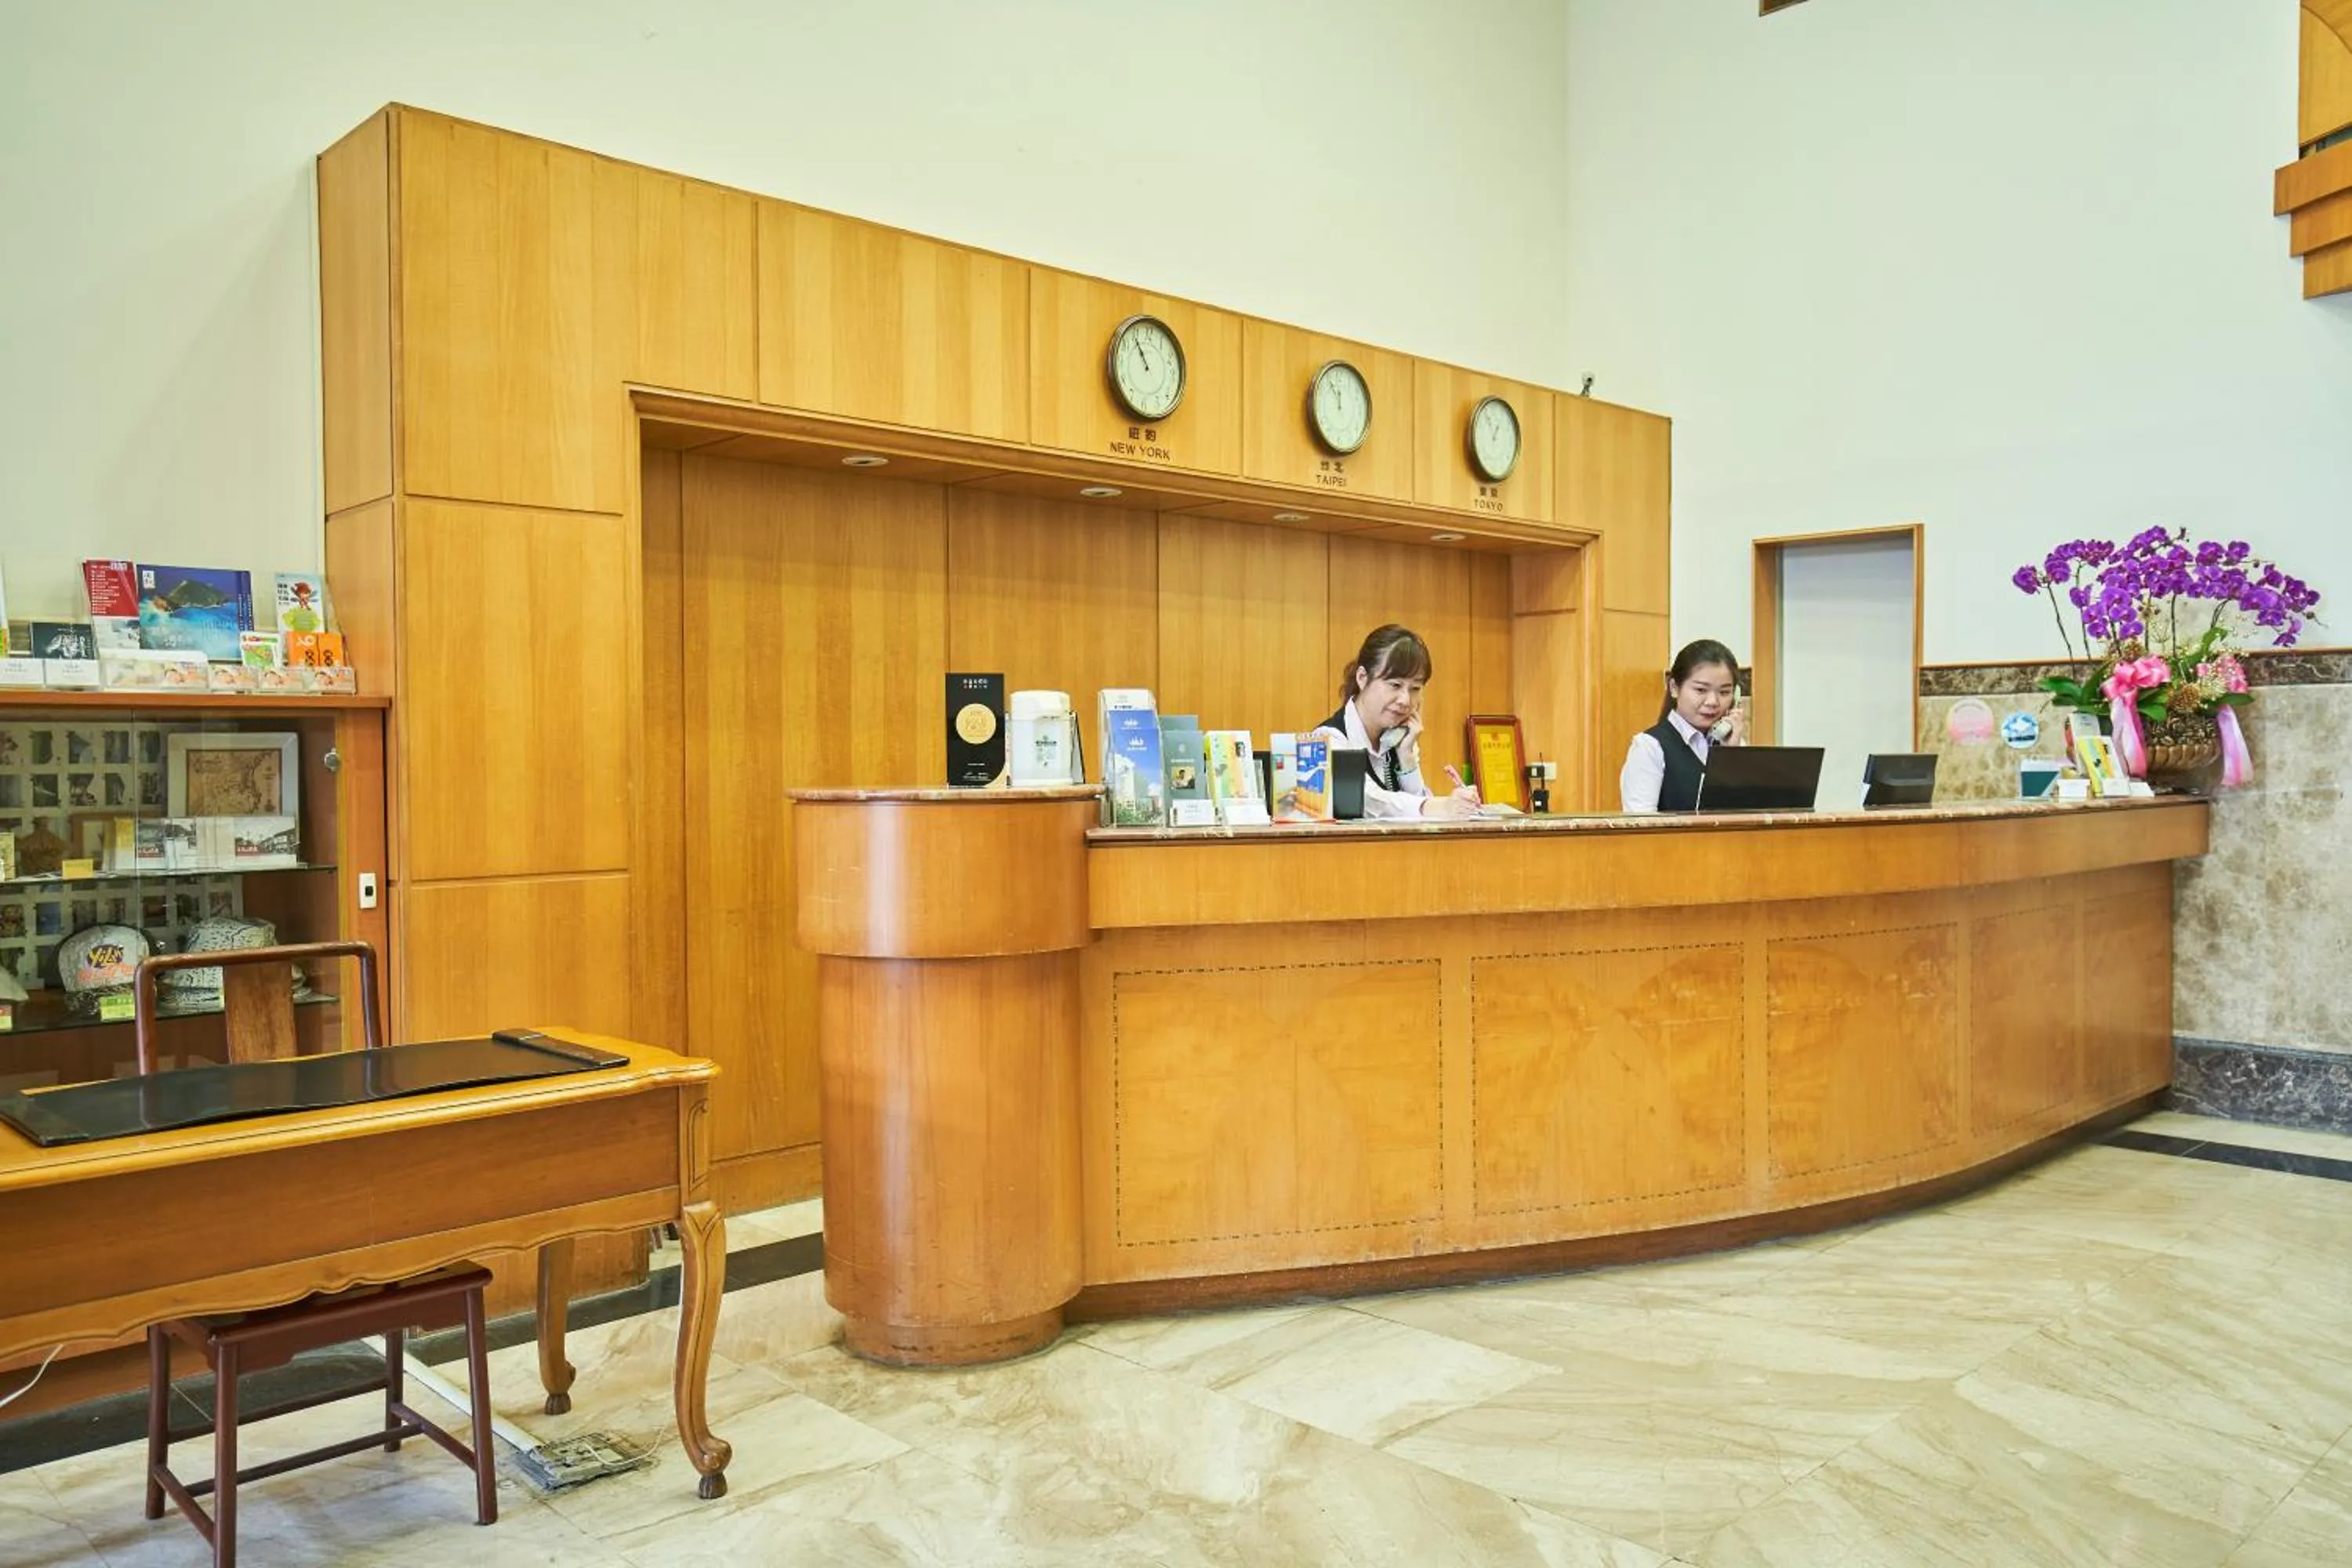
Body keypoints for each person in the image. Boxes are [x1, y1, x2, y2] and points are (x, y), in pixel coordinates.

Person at [1313, 624, 1485, 820]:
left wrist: (1406, 757)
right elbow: (1369, 802)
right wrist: (1441, 806)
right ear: (1362, 678)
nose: (1405, 700)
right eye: (1395, 685)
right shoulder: (1327, 739)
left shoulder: (1398, 737)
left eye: (1415, 688)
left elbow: (1420, 817)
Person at [1619, 638, 1746, 813]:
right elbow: (1641, 826)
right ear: (1674, 688)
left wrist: (1731, 755)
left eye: (1724, 692)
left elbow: (1745, 814)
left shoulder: (1734, 743)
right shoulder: (1649, 747)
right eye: (1701, 690)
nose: (1713, 702)